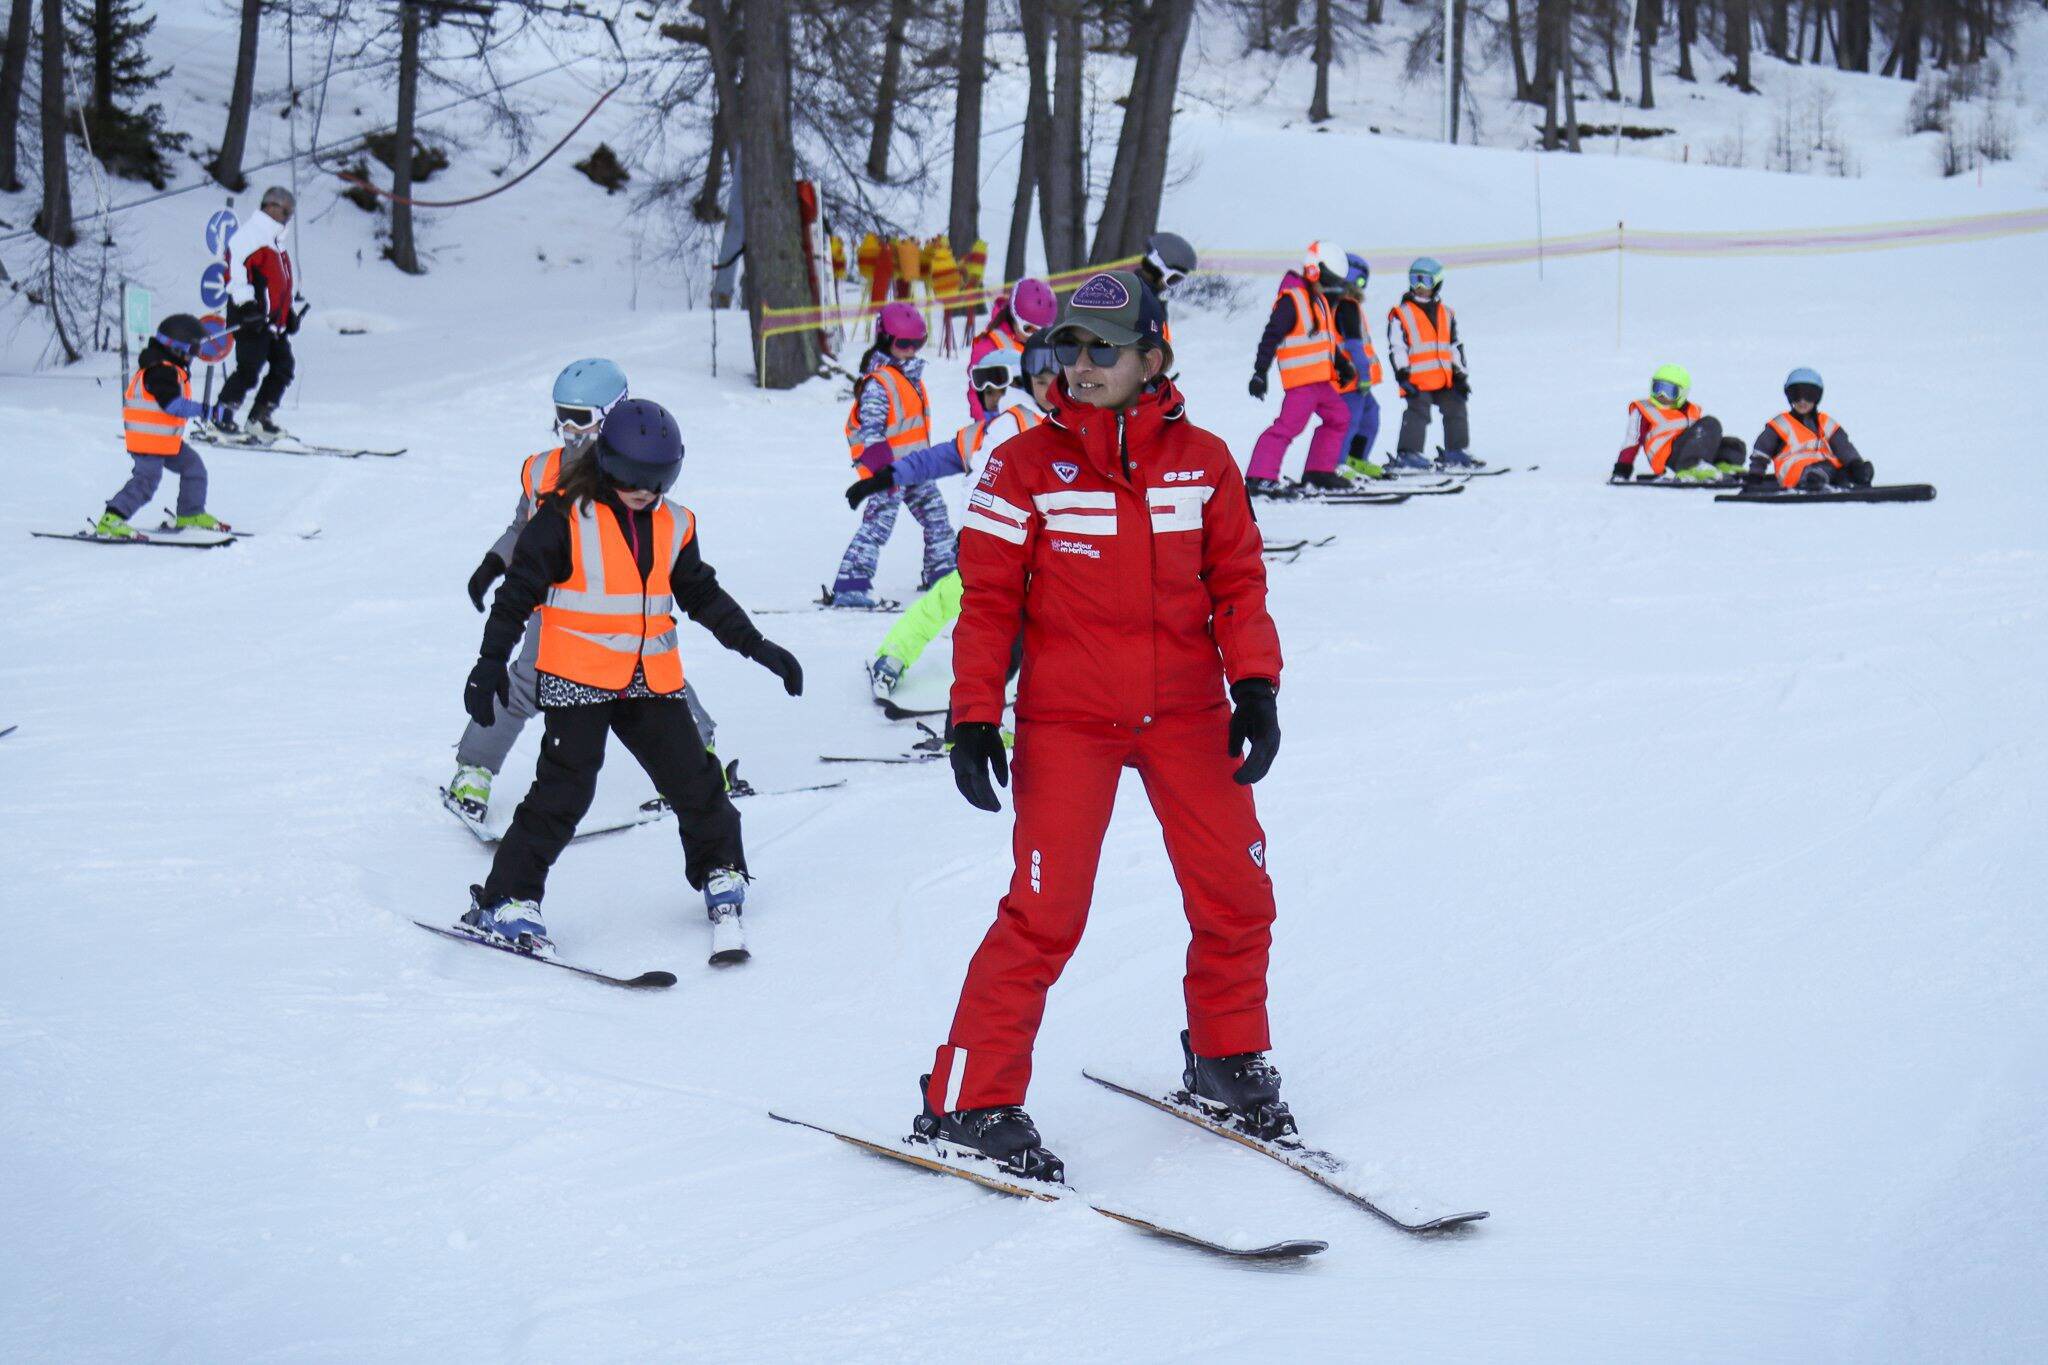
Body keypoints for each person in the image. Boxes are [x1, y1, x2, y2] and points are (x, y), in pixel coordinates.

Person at [912, 270, 1290, 1181]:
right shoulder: (1022, 466)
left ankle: (1225, 1054)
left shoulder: (1205, 460)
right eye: (1068, 347)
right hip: (1069, 718)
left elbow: (1238, 583)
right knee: (1044, 913)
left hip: (1188, 712)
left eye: (1103, 350)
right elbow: (988, 602)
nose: (1079, 366)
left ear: (1152, 358)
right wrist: (973, 716)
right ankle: (968, 1097)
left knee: (1237, 893)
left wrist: (1256, 686)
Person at [459, 399, 804, 960]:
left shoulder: (675, 524)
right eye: (632, 479)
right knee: (564, 792)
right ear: (607, 464)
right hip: (577, 680)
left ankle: (720, 868)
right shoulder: (564, 518)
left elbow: (701, 594)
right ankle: (506, 899)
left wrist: (757, 645)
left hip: (650, 680)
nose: (645, 491)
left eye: (657, 480)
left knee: (694, 779)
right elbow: (517, 594)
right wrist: (490, 661)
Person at [445, 359, 721, 819]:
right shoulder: (542, 470)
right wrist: (494, 563)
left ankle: (700, 759)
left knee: (654, 679)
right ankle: (474, 768)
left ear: (613, 414)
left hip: (628, 606)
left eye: (581, 419)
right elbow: (522, 529)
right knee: (526, 683)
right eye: (563, 417)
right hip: (560, 610)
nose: (570, 431)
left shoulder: (631, 472)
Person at [855, 339, 1058, 711]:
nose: (991, 396)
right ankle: (894, 656)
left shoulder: (1048, 424)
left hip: (1036, 552)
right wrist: (884, 477)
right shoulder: (985, 432)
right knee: (949, 601)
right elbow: (931, 460)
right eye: (985, 388)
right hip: (990, 546)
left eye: (999, 386)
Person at [829, 301, 955, 608]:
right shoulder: (879, 383)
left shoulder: (910, 378)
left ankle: (942, 575)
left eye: (917, 343)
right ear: (886, 340)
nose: (911, 350)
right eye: (903, 343)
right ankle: (850, 584)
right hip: (888, 473)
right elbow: (871, 432)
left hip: (916, 469)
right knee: (877, 526)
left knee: (937, 518)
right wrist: (884, 475)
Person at [93, 314, 232, 539]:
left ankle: (190, 513)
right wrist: (206, 410)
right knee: (147, 481)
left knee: (193, 468)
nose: (194, 356)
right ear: (177, 347)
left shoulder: (169, 369)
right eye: (193, 350)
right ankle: (112, 519)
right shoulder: (160, 371)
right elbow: (173, 405)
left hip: (165, 441)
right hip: (147, 442)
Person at [1246, 241, 1358, 496]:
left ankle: (1319, 471)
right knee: (1288, 427)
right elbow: (1271, 336)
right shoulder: (1292, 300)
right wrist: (1260, 372)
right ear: (1314, 270)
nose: (1332, 287)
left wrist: (1342, 365)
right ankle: (1259, 476)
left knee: (1340, 417)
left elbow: (1325, 341)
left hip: (1321, 381)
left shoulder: (1319, 301)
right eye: (1330, 280)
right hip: (1301, 383)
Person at [214, 186, 304, 439]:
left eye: (291, 213)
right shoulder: (249, 236)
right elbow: (235, 275)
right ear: (271, 207)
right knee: (249, 369)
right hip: (252, 320)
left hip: (273, 323)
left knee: (283, 367)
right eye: (286, 212)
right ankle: (221, 416)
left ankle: (259, 418)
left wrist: (288, 315)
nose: (288, 218)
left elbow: (279, 287)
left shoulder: (276, 243)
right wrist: (247, 306)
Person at [1385, 256, 1479, 471]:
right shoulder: (1401, 313)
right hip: (1417, 380)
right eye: (1415, 280)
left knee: (1456, 406)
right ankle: (1409, 453)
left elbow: (1453, 346)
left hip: (1444, 378)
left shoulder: (1446, 313)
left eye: (1425, 281)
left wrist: (1460, 376)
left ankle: (1456, 450)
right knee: (1418, 411)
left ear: (1436, 283)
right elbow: (1397, 347)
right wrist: (1402, 374)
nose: (1419, 286)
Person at [1610, 364, 1747, 484]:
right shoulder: (1645, 410)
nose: (1662, 395)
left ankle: (1723, 465)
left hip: (1689, 451)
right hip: (1668, 459)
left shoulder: (1691, 410)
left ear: (1683, 393)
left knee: (1732, 443)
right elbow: (1632, 441)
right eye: (1657, 388)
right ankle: (1692, 466)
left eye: (1669, 392)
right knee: (1711, 423)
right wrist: (1621, 470)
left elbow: (1701, 440)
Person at [1749, 367, 1875, 492]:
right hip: (1795, 475)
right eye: (1796, 395)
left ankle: (1857, 478)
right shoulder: (1781, 423)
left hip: (1827, 469)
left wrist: (1855, 464)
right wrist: (1755, 476)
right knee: (1823, 471)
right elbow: (1761, 451)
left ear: (1817, 397)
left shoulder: (1825, 422)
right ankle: (1816, 481)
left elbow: (1843, 447)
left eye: (1809, 396)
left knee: (1842, 470)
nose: (1802, 401)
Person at [965, 277, 1054, 418]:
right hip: (1004, 423)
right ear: (1013, 317)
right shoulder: (988, 347)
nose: (1034, 336)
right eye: (1028, 328)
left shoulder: (1045, 347)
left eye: (1041, 330)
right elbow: (977, 396)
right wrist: (990, 425)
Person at [1334, 252, 1386, 482]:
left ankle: (1356, 458)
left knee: (1370, 415)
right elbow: (1353, 345)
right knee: (1349, 420)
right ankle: (1337, 463)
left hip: (1356, 380)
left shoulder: (1348, 304)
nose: (1362, 286)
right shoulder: (1345, 306)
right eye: (1362, 280)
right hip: (1350, 378)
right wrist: (1364, 374)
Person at [1137, 231, 1197, 344]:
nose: (1170, 286)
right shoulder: (1147, 306)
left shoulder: (1118, 288)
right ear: (1160, 270)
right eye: (1173, 279)